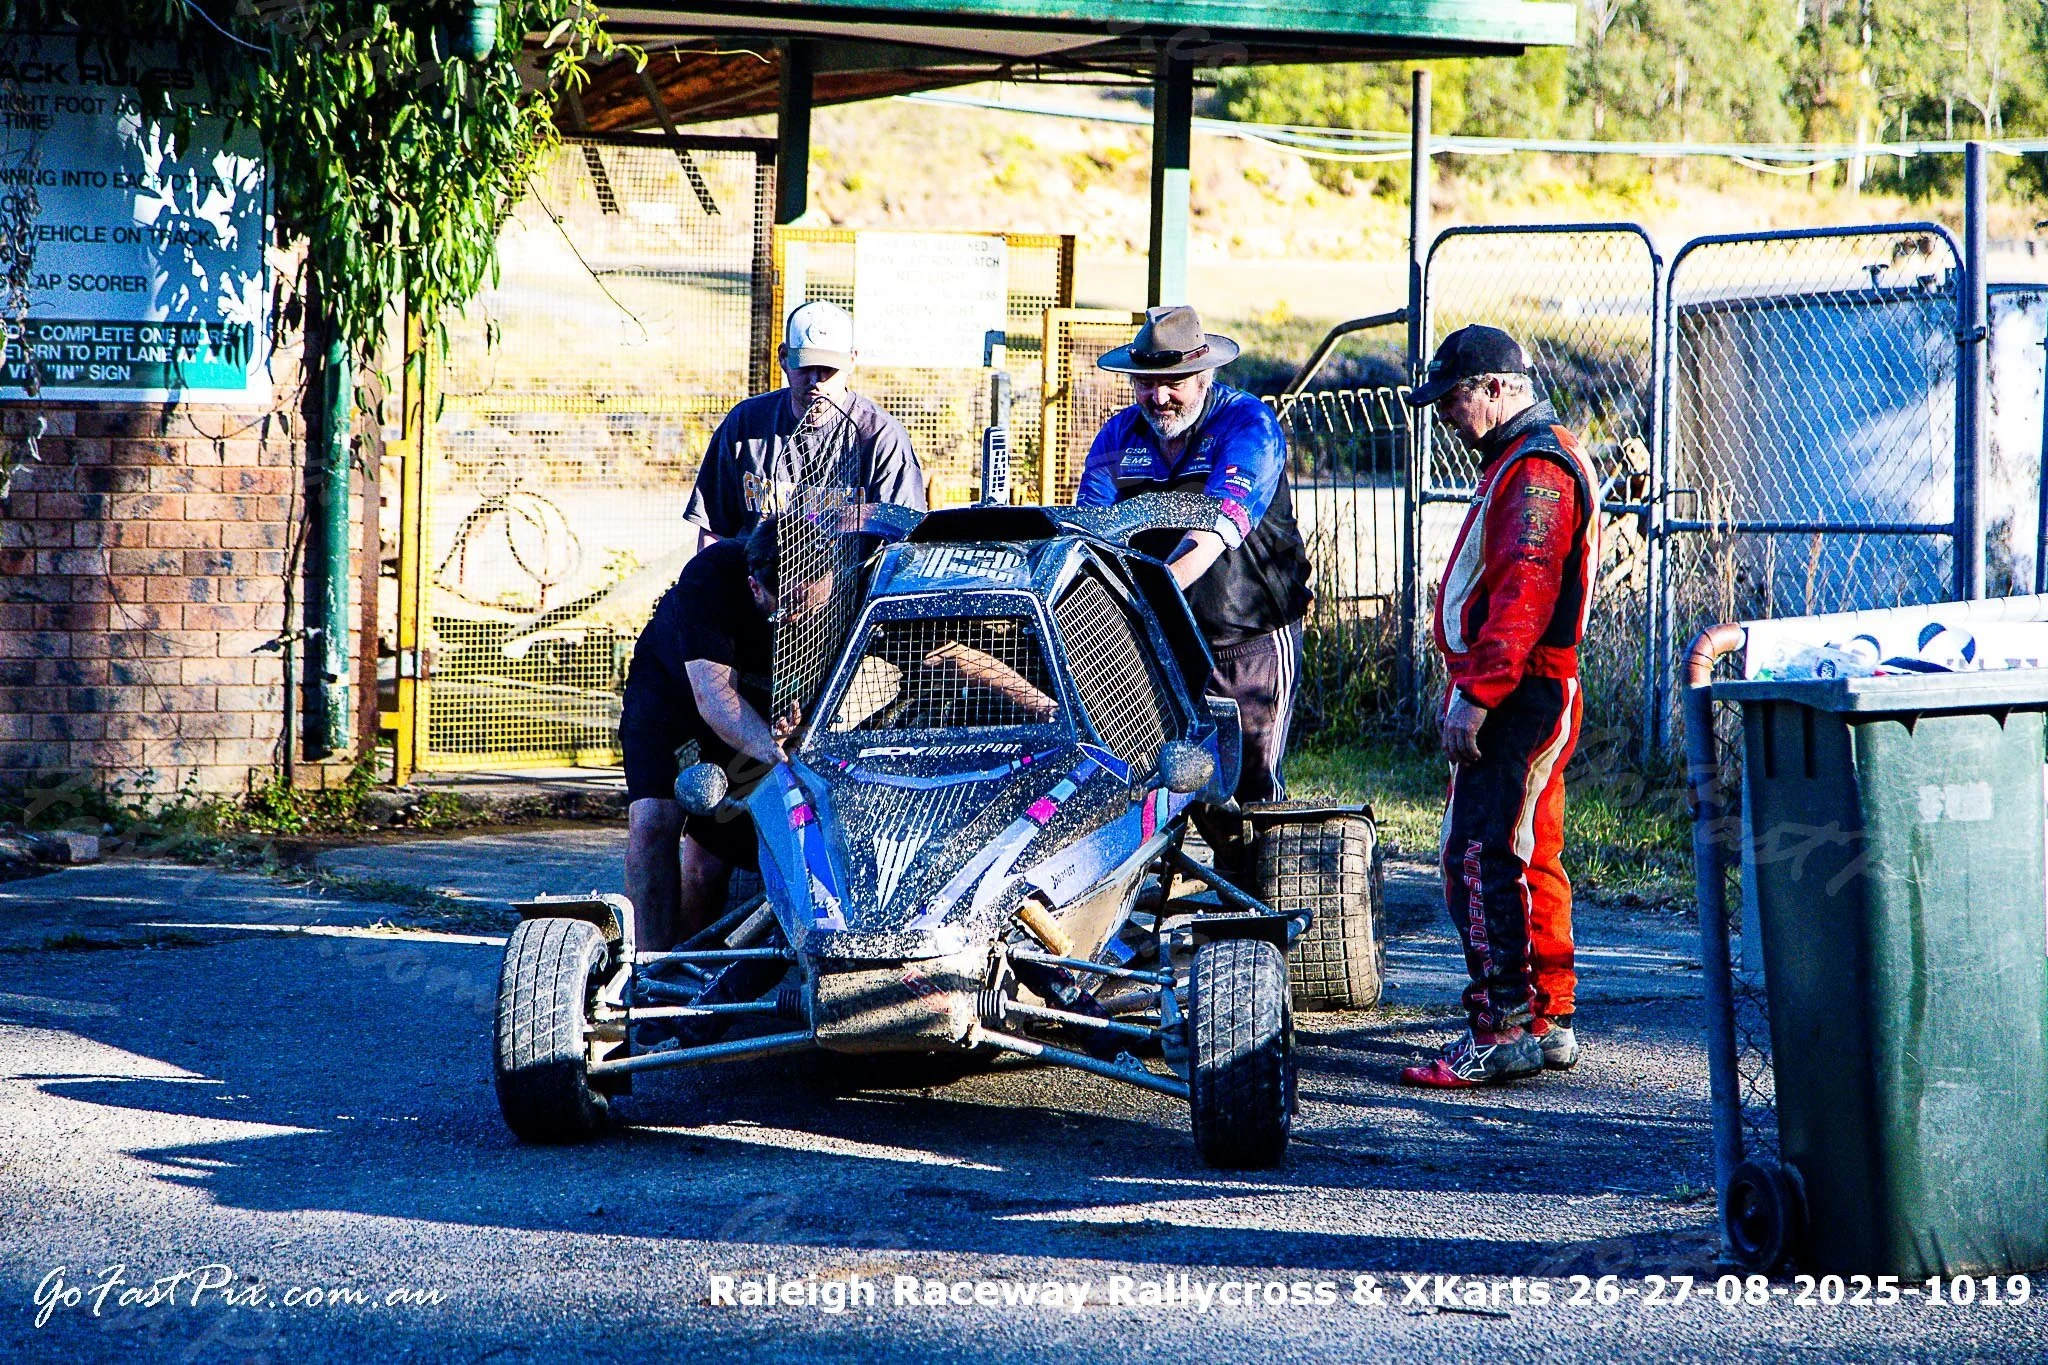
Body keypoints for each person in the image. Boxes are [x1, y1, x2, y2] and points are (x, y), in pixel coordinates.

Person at [1396, 325, 1602, 1089]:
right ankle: (1546, 1018)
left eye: (1453, 398)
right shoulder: (1526, 459)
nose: (1447, 415)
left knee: (1479, 854)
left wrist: (1476, 697)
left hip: (1520, 688)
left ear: (1495, 388)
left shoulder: (1536, 468)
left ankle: (1502, 1028)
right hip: (1533, 684)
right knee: (1528, 851)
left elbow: (1524, 589)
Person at [1075, 304, 1313, 813]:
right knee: (1149, 778)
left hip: (1247, 637)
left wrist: (1149, 597)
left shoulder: (1249, 425)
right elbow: (1090, 539)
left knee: (1249, 788)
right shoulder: (1117, 438)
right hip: (1158, 640)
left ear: (1205, 375)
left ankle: (1256, 886)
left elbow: (1213, 532)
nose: (1158, 397)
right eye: (1145, 383)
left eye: (1174, 381)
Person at [619, 516, 811, 951]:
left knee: (711, 859)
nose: (799, 619)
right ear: (754, 586)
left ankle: (695, 968)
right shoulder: (712, 576)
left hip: (761, 704)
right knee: (653, 822)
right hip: (675, 698)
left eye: (811, 608)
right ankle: (648, 972)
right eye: (788, 609)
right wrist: (779, 754)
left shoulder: (847, 581)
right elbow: (713, 697)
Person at [683, 300, 925, 545]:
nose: (816, 380)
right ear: (784, 358)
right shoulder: (745, 425)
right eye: (806, 365)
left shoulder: (880, 436)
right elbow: (714, 532)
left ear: (851, 360)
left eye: (828, 369)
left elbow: (903, 543)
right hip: (757, 578)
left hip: (852, 579)